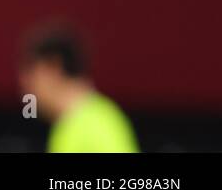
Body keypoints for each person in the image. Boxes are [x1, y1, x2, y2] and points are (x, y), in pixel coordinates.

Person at [19, 25, 140, 153]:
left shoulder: (96, 125)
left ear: (53, 67)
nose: (26, 91)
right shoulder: (78, 123)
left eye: (31, 77)